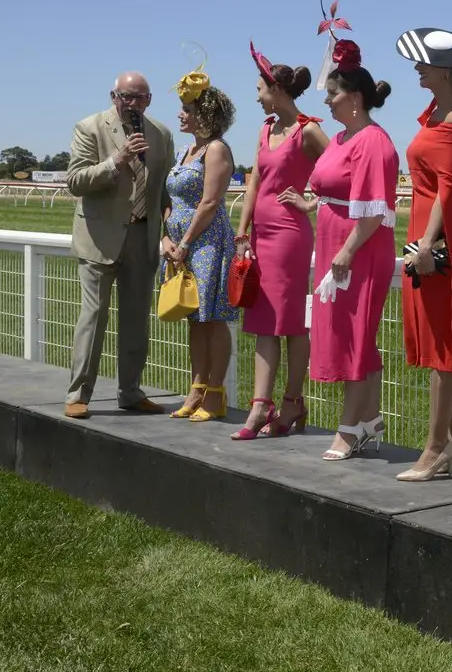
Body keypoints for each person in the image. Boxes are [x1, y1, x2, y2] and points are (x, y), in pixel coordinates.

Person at [285, 38, 398, 461]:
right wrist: (310, 205)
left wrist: (347, 252)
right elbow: (334, 190)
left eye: (332, 93)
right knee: (350, 335)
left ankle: (348, 429)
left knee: (355, 336)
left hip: (359, 248)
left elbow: (374, 210)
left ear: (354, 97)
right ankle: (370, 419)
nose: (327, 101)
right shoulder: (340, 138)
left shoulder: (373, 141)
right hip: (339, 244)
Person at [393, 27, 452, 481]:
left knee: (444, 345)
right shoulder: (435, 113)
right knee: (438, 343)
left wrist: (428, 243)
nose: (417, 68)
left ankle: (435, 448)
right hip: (428, 229)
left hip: (444, 235)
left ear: (446, 71)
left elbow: (448, 188)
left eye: (424, 62)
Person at [230, 42, 329, 440]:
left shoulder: (310, 130)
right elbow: (254, 184)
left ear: (277, 89)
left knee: (290, 322)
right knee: (263, 321)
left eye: (260, 90)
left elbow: (343, 170)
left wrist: (310, 202)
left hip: (290, 236)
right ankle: (260, 405)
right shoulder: (265, 129)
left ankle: (290, 401)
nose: (257, 97)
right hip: (260, 235)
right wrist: (242, 232)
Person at [63, 71, 176, 418]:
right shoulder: (90, 128)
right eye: (126, 96)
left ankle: (130, 392)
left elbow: (164, 190)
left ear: (149, 100)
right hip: (99, 239)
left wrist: (169, 231)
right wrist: (117, 160)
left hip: (143, 237)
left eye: (140, 97)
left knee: (136, 320)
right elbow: (75, 181)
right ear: (113, 96)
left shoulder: (161, 134)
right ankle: (78, 395)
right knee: (94, 317)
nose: (133, 103)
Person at [163, 67, 240, 421]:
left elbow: (209, 203)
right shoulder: (185, 151)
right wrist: (167, 238)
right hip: (181, 245)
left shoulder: (217, 149)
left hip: (207, 243)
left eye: (187, 109)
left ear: (205, 114)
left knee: (212, 318)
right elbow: (169, 198)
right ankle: (196, 387)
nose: (181, 114)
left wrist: (184, 242)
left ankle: (215, 392)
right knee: (194, 318)